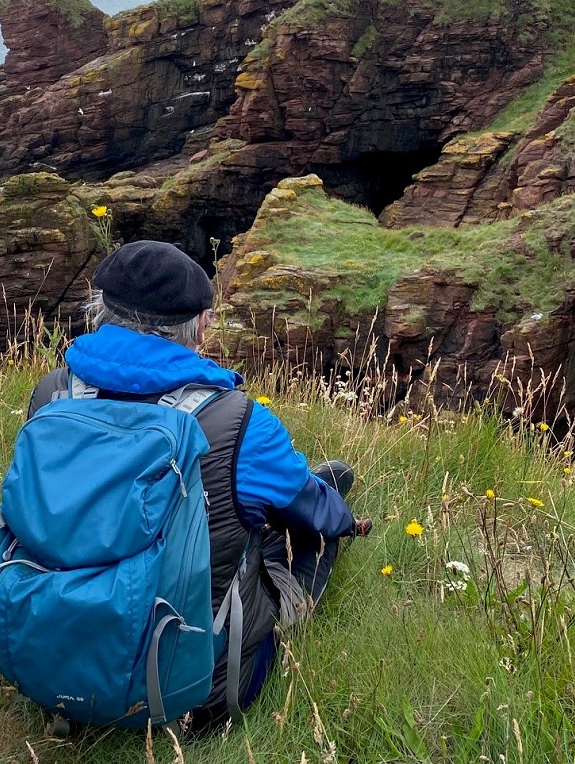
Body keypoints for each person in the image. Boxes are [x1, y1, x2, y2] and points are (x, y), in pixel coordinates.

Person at [26, 240, 361, 729]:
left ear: (101, 309)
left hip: (53, 657)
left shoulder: (53, 392)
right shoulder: (239, 421)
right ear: (201, 325)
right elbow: (312, 511)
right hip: (189, 688)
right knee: (315, 528)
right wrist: (345, 520)